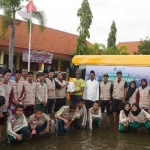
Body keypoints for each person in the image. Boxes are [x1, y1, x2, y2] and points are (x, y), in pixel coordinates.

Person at [0, 69, 13, 140]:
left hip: (6, 106)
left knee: (2, 121)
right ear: (3, 76)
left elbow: (11, 97)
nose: (8, 77)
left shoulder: (10, 85)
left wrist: (9, 108)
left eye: (10, 76)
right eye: (7, 75)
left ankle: (0, 135)